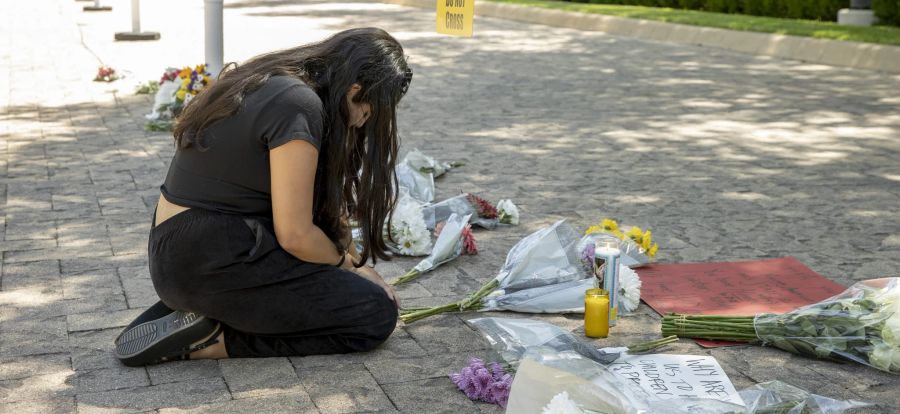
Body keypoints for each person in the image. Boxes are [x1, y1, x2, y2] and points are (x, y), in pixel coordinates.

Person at [113, 27, 411, 366]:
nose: (361, 123)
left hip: (183, 253)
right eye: (367, 112)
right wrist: (351, 269)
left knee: (340, 278)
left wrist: (356, 265)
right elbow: (296, 235)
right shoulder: (300, 106)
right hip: (210, 257)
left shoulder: (273, 80)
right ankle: (215, 340)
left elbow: (321, 210)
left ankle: (202, 311)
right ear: (355, 90)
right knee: (374, 313)